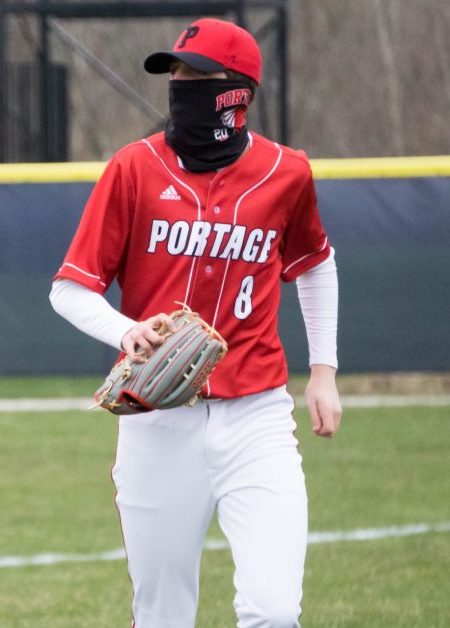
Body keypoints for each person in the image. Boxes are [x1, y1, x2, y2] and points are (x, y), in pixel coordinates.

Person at [49, 18, 342, 627]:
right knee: (162, 614)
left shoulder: (286, 173)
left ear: (236, 91)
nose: (179, 84)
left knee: (274, 610)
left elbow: (315, 264)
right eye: (174, 73)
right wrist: (123, 328)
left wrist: (324, 371)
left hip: (257, 416)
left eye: (194, 74)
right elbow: (68, 290)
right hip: (158, 420)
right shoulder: (133, 168)